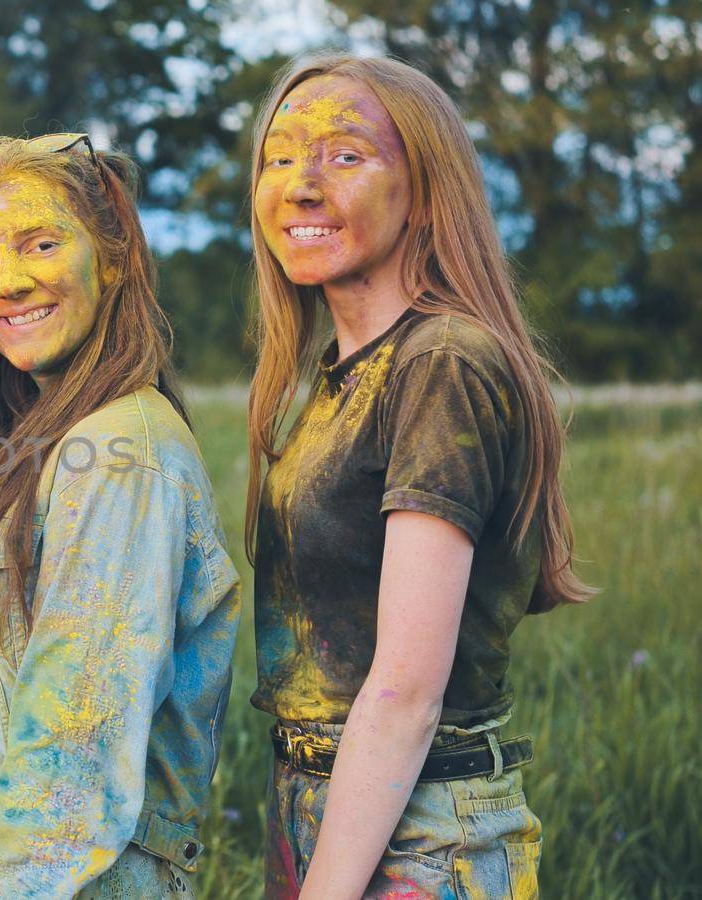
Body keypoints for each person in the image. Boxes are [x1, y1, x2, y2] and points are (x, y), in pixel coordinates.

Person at [245, 53, 595, 898]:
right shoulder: (338, 373)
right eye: (280, 155)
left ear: (426, 190)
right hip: (324, 807)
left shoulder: (442, 362)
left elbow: (403, 693)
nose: (301, 184)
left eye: (346, 154)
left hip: (424, 835)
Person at [0, 134, 241, 898]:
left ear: (111, 259)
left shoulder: (117, 455)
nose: (9, 281)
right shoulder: (47, 444)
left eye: (40, 244)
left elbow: (72, 765)